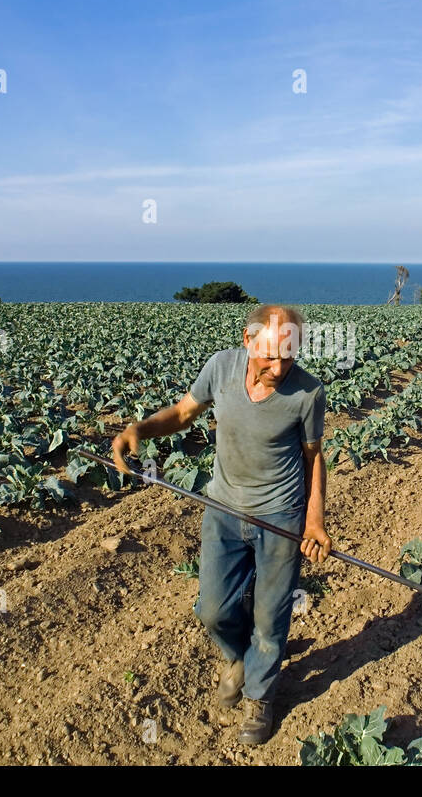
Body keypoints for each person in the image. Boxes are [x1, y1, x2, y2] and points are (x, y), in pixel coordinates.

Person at [112, 303, 330, 744]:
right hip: (224, 509)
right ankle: (237, 657)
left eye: (288, 356)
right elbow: (182, 413)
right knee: (212, 610)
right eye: (269, 355)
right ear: (248, 341)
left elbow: (314, 457)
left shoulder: (308, 393)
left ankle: (260, 697)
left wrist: (315, 521)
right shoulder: (222, 367)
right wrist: (139, 429)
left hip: (280, 516)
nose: (278, 366)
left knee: (271, 618)